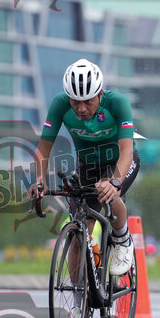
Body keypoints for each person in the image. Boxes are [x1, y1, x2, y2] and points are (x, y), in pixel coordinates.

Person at [29, 59, 139, 282]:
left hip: (119, 161)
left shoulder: (117, 103)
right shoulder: (60, 104)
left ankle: (122, 238)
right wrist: (39, 179)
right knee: (78, 237)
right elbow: (43, 148)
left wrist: (115, 182)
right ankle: (80, 299)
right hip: (87, 166)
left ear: (100, 94)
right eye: (75, 102)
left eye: (88, 102)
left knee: (108, 193)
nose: (81, 109)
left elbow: (126, 150)